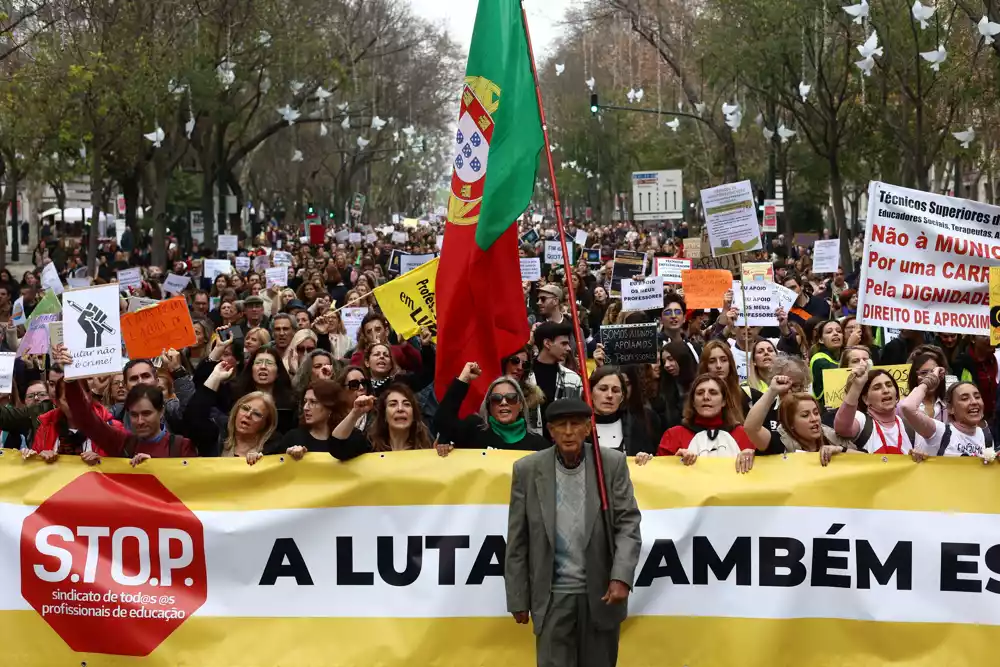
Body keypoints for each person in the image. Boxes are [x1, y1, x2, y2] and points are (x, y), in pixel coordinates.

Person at [504, 398, 642, 667]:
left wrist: (622, 576)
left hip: (601, 596)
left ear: (589, 428)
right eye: (561, 425)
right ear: (551, 431)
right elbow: (517, 540)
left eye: (576, 424)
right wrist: (518, 596)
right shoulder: (528, 470)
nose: (568, 431)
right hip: (551, 597)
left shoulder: (610, 464)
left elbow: (628, 524)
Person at [639, 374, 756, 473]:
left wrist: (754, 456)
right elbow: (660, 475)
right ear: (693, 402)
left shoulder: (744, 434)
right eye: (700, 393)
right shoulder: (674, 435)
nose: (706, 397)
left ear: (724, 401)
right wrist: (671, 462)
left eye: (713, 393)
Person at [435, 362, 549, 451]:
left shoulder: (539, 445)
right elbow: (443, 422)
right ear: (489, 406)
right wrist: (463, 380)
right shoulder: (473, 429)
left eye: (511, 398)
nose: (503, 402)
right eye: (496, 399)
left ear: (521, 405)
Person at [743, 374, 857, 463]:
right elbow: (751, 428)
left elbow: (867, 459)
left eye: (816, 413)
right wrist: (772, 391)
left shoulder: (832, 435)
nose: (814, 419)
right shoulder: (780, 443)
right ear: (790, 423)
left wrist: (841, 450)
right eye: (805, 415)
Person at [902, 368, 992, 458]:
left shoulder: (984, 434)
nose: (974, 402)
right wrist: (928, 382)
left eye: (977, 397)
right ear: (950, 408)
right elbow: (908, 407)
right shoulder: (939, 431)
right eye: (964, 398)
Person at [330, 384, 434, 459]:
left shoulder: (428, 447)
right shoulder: (369, 444)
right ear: (384, 415)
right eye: (393, 404)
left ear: (414, 414)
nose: (400, 409)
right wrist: (355, 413)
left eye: (406, 404)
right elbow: (337, 447)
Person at [833, 366, 913, 455]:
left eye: (889, 385)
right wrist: (856, 387)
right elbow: (842, 429)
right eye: (877, 388)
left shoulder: (910, 426)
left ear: (897, 395)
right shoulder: (862, 420)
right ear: (865, 399)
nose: (886, 390)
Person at [588, 366, 658, 455]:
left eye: (615, 390)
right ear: (590, 393)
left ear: (622, 397)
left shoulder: (637, 426)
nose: (609, 395)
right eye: (603, 389)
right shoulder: (578, 427)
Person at [266, 379, 345, 457]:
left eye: (313, 402)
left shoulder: (344, 440)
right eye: (305, 401)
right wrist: (288, 456)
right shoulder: (293, 438)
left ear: (330, 407)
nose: (305, 407)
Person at [530, 322, 583, 422]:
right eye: (563, 343)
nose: (569, 348)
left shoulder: (572, 379)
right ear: (547, 343)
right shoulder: (524, 376)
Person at [808, 319, 844, 407]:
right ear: (821, 339)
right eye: (829, 332)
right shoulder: (818, 358)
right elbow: (838, 375)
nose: (835, 333)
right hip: (825, 411)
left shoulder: (842, 356)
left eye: (839, 331)